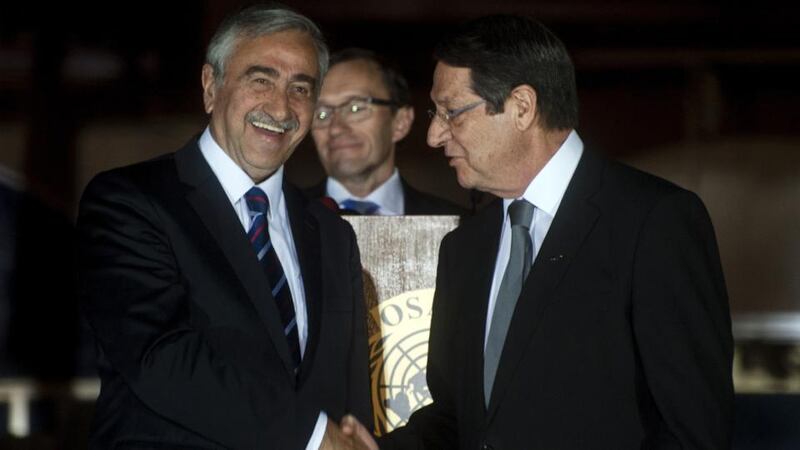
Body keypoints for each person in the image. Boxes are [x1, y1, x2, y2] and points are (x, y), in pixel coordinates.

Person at [344, 14, 733, 450]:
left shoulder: (655, 222)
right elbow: (458, 419)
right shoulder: (464, 247)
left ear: (522, 107)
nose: (434, 135)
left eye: (451, 112)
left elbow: (693, 432)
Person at [78, 5, 372, 449]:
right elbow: (160, 358)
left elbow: (350, 400)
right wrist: (312, 435)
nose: (281, 107)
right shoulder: (129, 202)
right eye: (261, 80)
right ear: (211, 86)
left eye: (300, 89)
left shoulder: (332, 234)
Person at [307, 48, 465, 216]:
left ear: (400, 122)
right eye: (322, 114)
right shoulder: (288, 218)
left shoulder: (458, 224)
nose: (336, 128)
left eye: (355, 108)